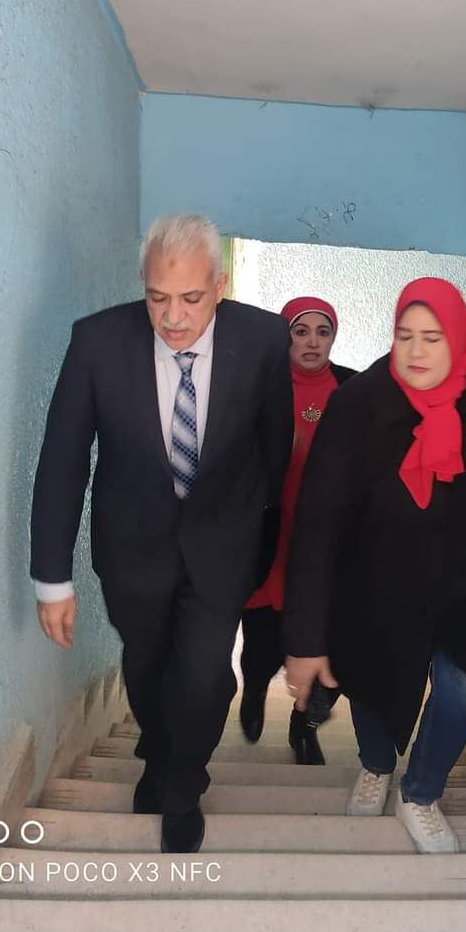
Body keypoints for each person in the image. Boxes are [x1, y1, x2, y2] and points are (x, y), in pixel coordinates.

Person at [30, 214, 292, 855]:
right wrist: (52, 579)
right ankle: (161, 754)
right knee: (147, 668)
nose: (173, 317)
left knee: (204, 675)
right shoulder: (96, 343)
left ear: (220, 287)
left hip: (222, 546)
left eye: (191, 298)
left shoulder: (262, 340)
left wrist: (257, 541)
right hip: (131, 550)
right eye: (157, 297)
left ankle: (182, 786)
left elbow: (274, 448)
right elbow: (63, 459)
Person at [283, 277, 466, 854]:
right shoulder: (359, 402)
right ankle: (376, 766)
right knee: (373, 687)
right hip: (375, 584)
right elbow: (319, 522)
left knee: (463, 691)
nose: (417, 351)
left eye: (433, 337)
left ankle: (421, 791)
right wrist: (305, 636)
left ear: (459, 336)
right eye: (405, 336)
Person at [239, 297, 356, 764]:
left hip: (329, 545)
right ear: (284, 337)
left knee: (333, 651)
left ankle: (304, 726)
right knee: (263, 646)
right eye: (300, 331)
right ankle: (252, 691)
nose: (312, 342)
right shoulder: (260, 387)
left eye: (322, 332)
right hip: (269, 536)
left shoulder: (353, 389)